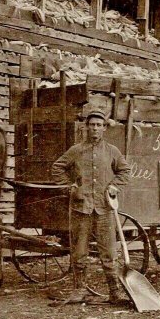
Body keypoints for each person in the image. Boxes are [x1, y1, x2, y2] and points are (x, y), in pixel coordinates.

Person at [51, 110, 131, 305]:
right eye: (92, 125)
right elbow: (57, 167)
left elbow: (125, 171)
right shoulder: (76, 150)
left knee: (110, 253)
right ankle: (79, 291)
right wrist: (71, 188)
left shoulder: (112, 151)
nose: (95, 128)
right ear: (86, 127)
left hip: (104, 210)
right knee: (79, 253)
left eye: (98, 125)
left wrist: (114, 186)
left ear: (104, 128)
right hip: (81, 210)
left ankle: (114, 292)